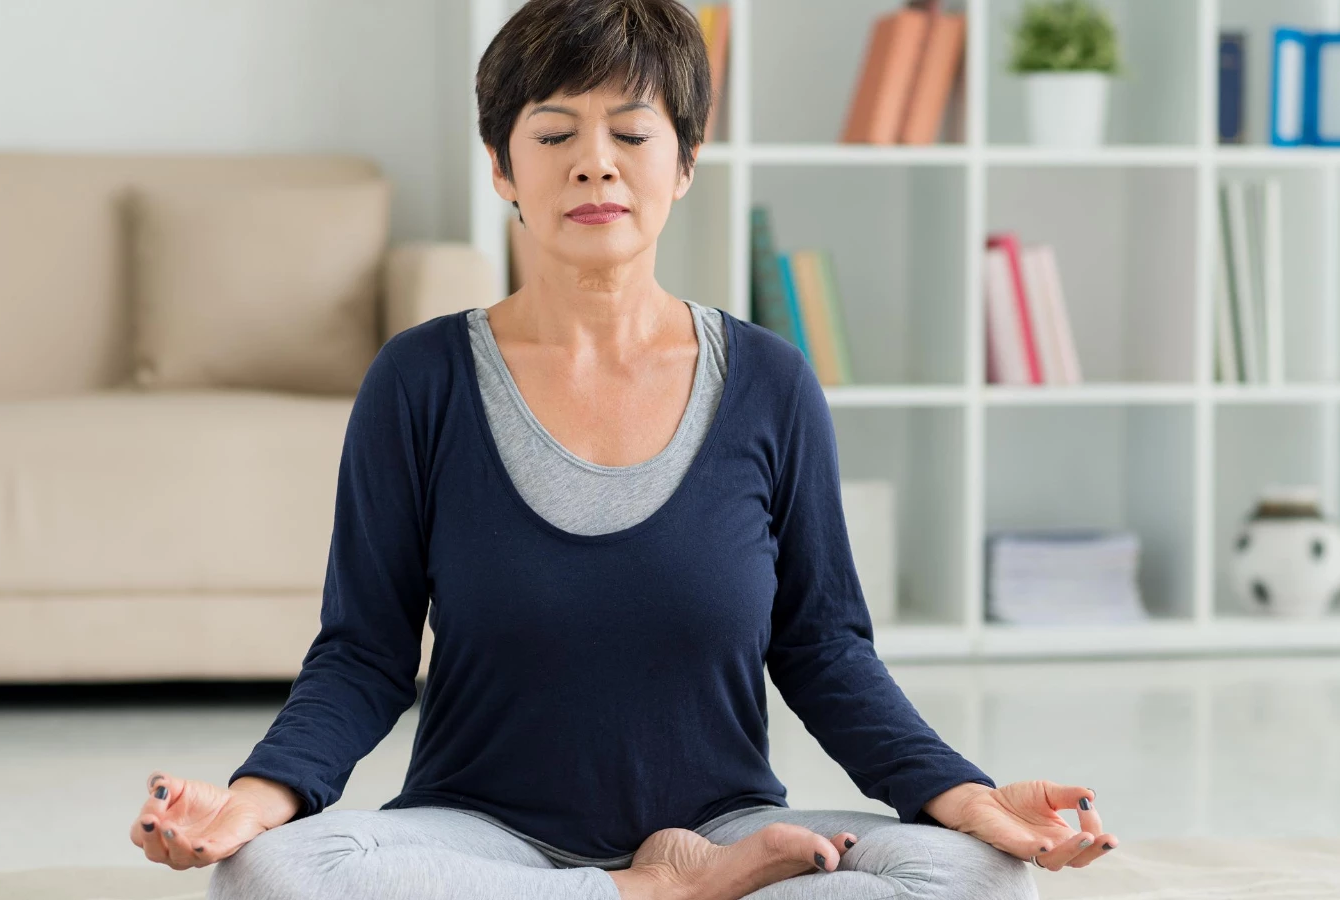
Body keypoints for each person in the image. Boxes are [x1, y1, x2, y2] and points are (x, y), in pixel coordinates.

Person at [126, 0, 1119, 896]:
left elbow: (821, 649)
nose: (593, 161)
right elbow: (365, 652)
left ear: (683, 161)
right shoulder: (419, 380)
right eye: (553, 133)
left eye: (632, 133)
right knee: (275, 879)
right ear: (503, 166)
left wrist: (966, 797)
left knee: (976, 879)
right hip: (480, 834)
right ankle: (655, 897)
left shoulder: (769, 381)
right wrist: (250, 804)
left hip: (729, 825)